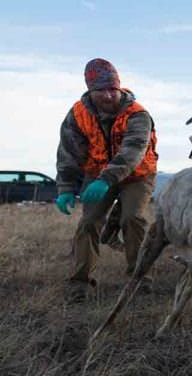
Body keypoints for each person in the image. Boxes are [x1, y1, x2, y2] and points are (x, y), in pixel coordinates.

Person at [55, 58, 158, 301]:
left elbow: (133, 151)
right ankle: (80, 283)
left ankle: (139, 279)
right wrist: (66, 188)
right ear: (90, 90)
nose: (109, 95)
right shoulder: (77, 114)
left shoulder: (138, 114)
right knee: (89, 222)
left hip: (137, 174)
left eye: (113, 89)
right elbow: (69, 152)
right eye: (102, 90)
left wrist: (106, 179)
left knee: (133, 218)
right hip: (96, 172)